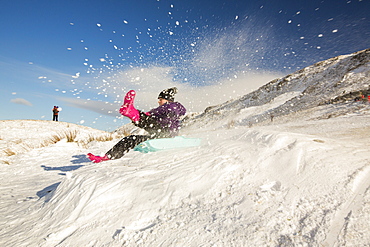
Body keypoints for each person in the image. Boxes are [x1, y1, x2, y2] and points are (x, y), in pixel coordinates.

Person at [87, 87, 186, 163]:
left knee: (149, 120)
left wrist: (152, 113)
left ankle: (134, 113)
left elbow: (170, 109)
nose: (159, 101)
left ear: (168, 99)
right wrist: (151, 114)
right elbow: (161, 111)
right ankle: (107, 157)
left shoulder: (174, 106)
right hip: (157, 134)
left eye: (161, 99)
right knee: (130, 139)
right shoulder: (163, 110)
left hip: (168, 133)